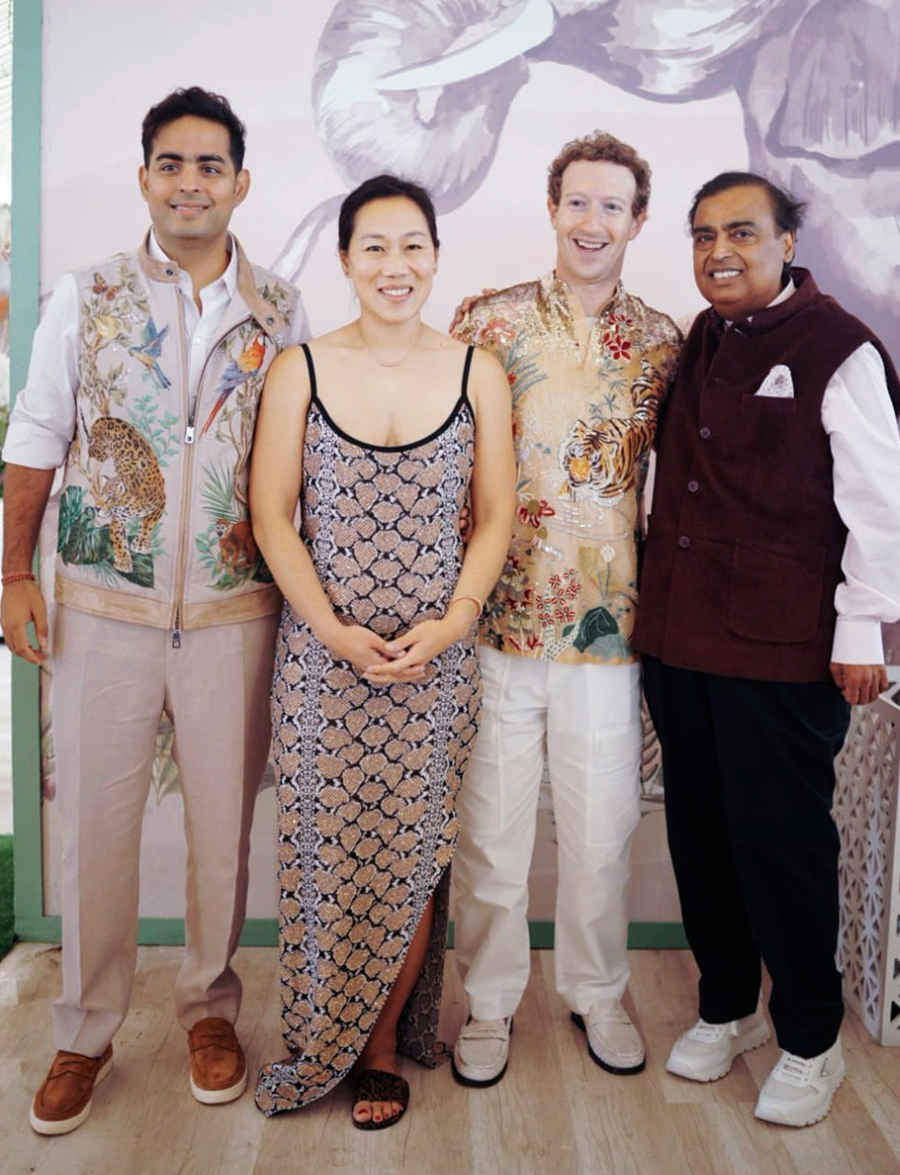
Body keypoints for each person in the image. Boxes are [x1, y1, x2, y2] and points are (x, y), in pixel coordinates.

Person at [1, 87, 308, 1135]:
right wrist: (12, 574)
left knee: (224, 830)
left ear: (240, 182)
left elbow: (301, 464)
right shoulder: (82, 296)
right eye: (170, 163)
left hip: (235, 612)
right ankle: (84, 1028)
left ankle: (211, 1006)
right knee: (94, 827)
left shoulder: (283, 307)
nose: (190, 181)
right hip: (102, 606)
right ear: (145, 178)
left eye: (209, 164)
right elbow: (37, 432)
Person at [633, 172, 900, 1127]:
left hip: (785, 646)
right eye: (704, 234)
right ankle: (725, 1006)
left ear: (788, 241)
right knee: (700, 831)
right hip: (681, 636)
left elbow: (877, 498)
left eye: (743, 232)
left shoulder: (838, 348)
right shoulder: (701, 337)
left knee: (782, 843)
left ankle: (809, 1036)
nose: (720, 251)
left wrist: (864, 624)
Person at [248, 174, 514, 1129]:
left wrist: (451, 623)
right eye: (374, 247)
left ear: (436, 256)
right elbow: (274, 518)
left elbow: (495, 518)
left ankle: (377, 1048)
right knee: (328, 852)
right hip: (324, 663)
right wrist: (332, 631)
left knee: (411, 853)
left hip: (435, 662)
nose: (395, 267)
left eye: (413, 247)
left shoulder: (477, 369)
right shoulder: (301, 369)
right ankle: (322, 1030)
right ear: (346, 258)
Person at [448, 132, 682, 1087]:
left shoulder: (668, 341)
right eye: (576, 203)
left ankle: (597, 992)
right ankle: (490, 1003)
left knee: (601, 832)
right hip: (498, 621)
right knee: (493, 832)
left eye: (611, 206)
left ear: (637, 220)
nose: (593, 222)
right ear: (552, 209)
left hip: (611, 629)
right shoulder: (487, 322)